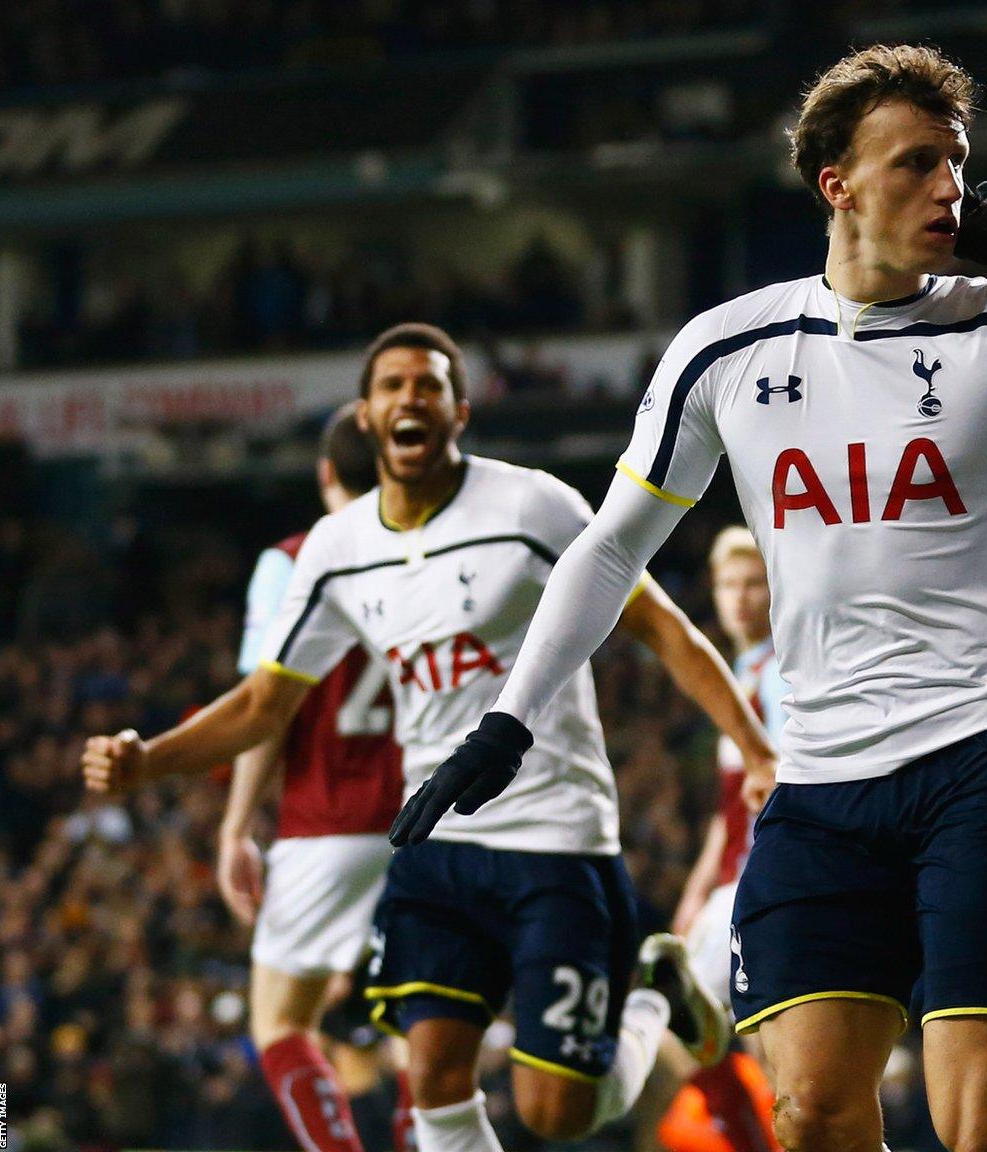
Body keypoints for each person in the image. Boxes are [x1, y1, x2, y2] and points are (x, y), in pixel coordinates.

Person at [385, 43, 987, 1152]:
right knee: (809, 1112)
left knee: (983, 1129)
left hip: (981, 754)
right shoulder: (726, 348)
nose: (947, 188)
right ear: (837, 185)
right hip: (817, 781)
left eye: (955, 162)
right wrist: (508, 717)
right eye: (914, 163)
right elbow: (614, 547)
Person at [82, 322, 778, 1152]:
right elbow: (263, 705)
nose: (411, 397)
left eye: (430, 385)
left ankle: (656, 1001)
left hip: (557, 837)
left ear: (460, 413)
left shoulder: (532, 505)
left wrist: (757, 746)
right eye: (393, 386)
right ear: (368, 417)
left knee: (556, 1113)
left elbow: (659, 627)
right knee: (437, 1082)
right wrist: (147, 761)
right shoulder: (336, 551)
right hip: (435, 841)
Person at [217, 401, 411, 1152]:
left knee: (279, 1024)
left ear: (324, 471)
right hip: (425, 819)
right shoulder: (433, 548)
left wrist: (237, 823)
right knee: (416, 1022)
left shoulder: (292, 561)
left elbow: (266, 708)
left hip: (326, 821)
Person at [664, 526, 786, 1152]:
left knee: (768, 1045)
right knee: (687, 1025)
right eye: (728, 584)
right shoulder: (740, 671)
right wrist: (695, 894)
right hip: (731, 883)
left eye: (753, 583)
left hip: (768, 882)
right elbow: (726, 812)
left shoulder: (785, 671)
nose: (739, 598)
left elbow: (787, 782)